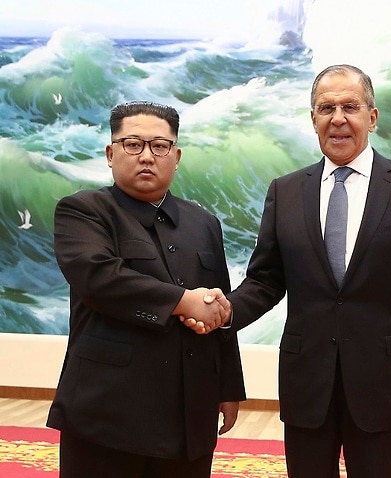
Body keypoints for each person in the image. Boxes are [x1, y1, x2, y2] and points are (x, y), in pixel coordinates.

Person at [184, 65, 391, 477]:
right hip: (307, 382)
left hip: (385, 384)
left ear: (372, 117)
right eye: (326, 108)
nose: (338, 118)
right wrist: (225, 311)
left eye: (350, 106)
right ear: (313, 119)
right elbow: (266, 280)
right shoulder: (286, 191)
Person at [47, 101, 246, 478]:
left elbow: (221, 307)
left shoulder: (204, 223)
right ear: (110, 153)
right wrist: (182, 301)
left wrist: (228, 386)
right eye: (133, 144)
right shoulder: (84, 211)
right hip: (106, 413)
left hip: (188, 414)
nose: (146, 156)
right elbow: (99, 277)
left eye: (160, 146)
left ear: (177, 155)